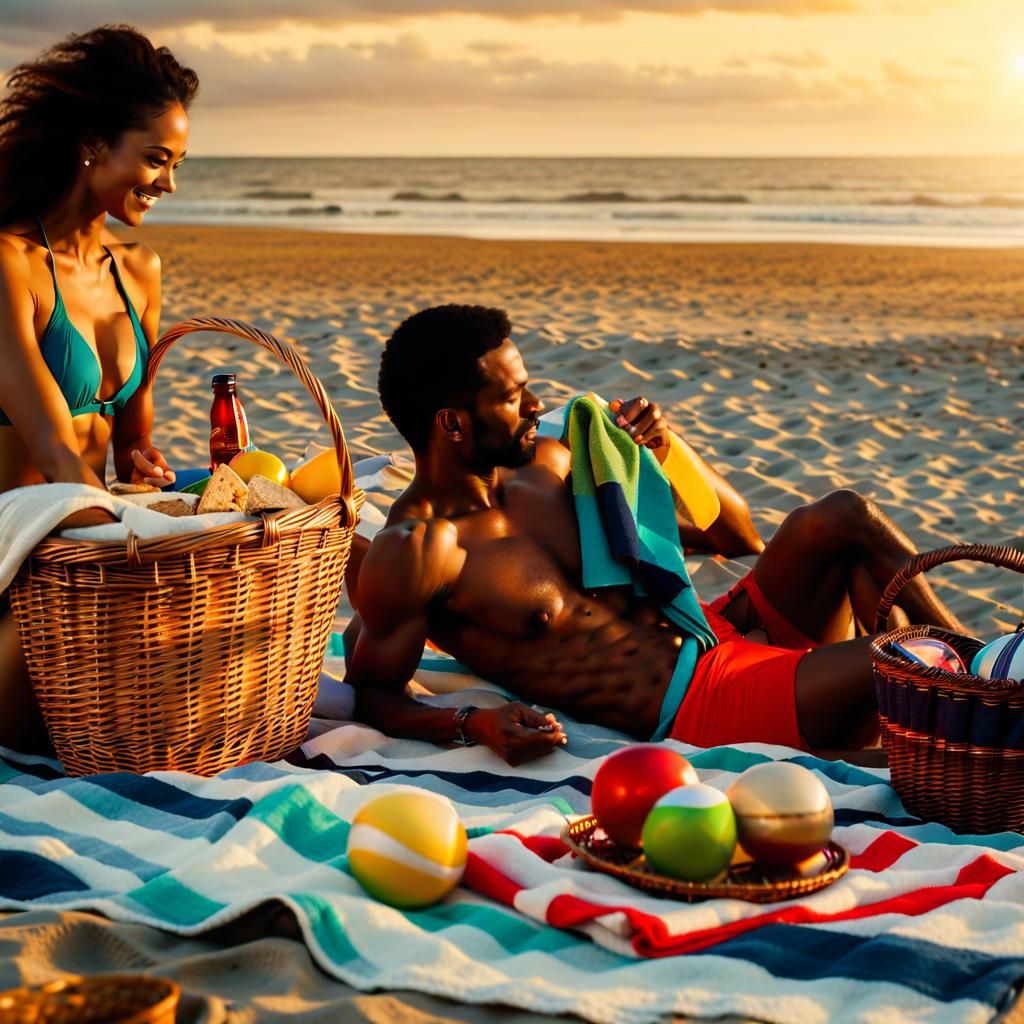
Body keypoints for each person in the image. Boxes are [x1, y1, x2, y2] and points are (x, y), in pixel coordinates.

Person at [345, 304, 966, 766]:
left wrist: (670, 450)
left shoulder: (546, 469)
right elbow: (372, 693)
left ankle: (989, 667)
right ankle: (974, 690)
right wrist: (471, 722)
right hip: (697, 701)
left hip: (714, 628)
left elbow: (737, 537)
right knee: (907, 660)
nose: (535, 404)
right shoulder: (420, 549)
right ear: (453, 424)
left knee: (840, 516)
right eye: (512, 397)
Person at [0, 25, 199, 751]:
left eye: (176, 164)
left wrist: (144, 464)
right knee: (44, 736)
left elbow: (132, 441)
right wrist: (146, 558)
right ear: (92, 145)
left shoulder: (138, 271)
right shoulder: (10, 264)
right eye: (155, 159)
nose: (168, 184)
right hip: (23, 556)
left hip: (96, 539)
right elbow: (57, 453)